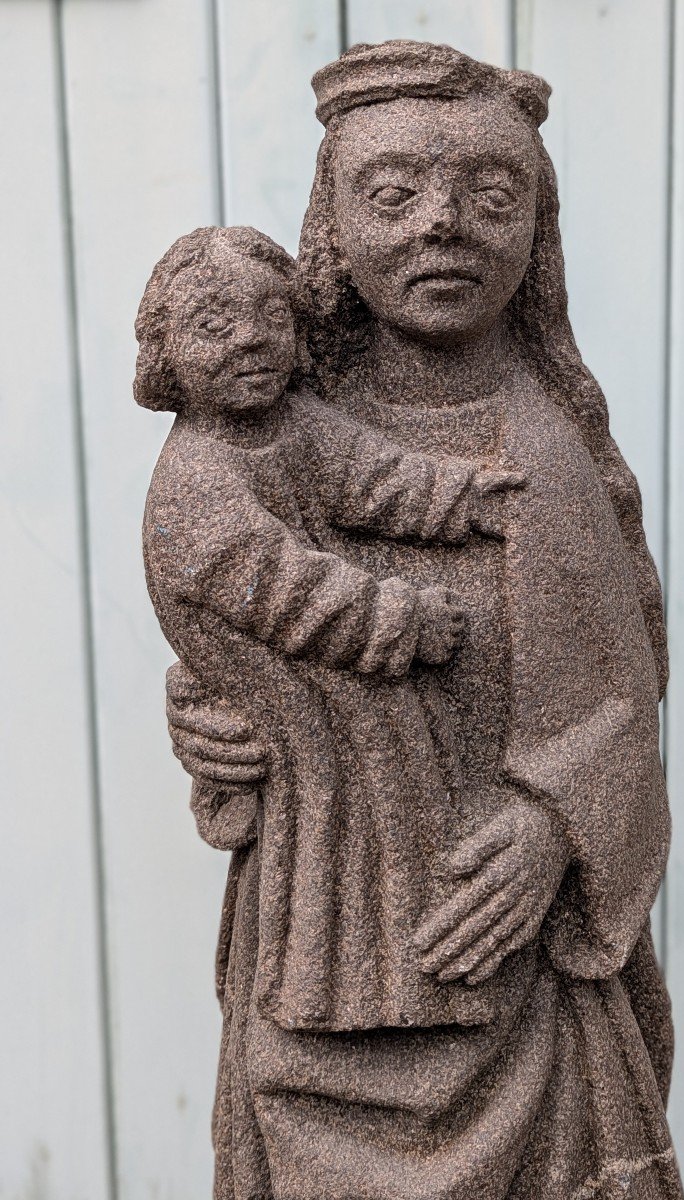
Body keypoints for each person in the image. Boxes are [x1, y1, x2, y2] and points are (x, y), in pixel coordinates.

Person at [163, 42, 682, 1200]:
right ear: (333, 230)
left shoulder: (541, 453)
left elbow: (619, 694)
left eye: (491, 195)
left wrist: (556, 827)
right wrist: (209, 717)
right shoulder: (270, 434)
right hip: (316, 954)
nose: (442, 223)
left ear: (536, 230)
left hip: (508, 982)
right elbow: (220, 611)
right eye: (392, 193)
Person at [137, 222, 528, 1033]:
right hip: (304, 715)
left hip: (350, 711)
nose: (249, 341)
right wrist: (402, 618)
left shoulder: (292, 423)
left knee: (396, 822)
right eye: (214, 325)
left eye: (270, 319)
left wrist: (459, 498)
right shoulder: (195, 483)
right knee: (332, 847)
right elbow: (290, 589)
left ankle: (422, 984)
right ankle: (343, 1000)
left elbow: (370, 476)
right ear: (166, 353)